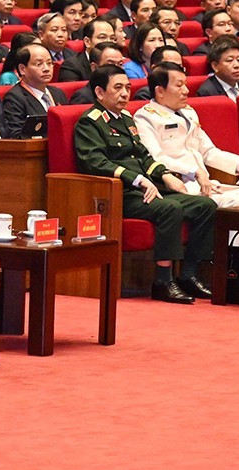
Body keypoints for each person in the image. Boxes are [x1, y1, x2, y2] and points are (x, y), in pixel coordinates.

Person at [73, 65, 218, 303]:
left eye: (128, 87)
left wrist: (165, 175)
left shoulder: (127, 118)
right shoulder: (90, 122)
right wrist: (138, 179)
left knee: (205, 206)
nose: (124, 93)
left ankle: (190, 274)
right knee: (170, 208)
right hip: (121, 194)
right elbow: (94, 162)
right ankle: (163, 281)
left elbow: (143, 156)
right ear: (100, 92)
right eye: (117, 88)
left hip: (147, 188)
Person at [132, 63, 239, 209]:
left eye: (185, 84)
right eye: (179, 86)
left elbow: (208, 151)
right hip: (179, 186)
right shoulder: (145, 117)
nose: (186, 90)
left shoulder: (189, 112)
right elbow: (156, 158)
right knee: (230, 202)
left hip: (206, 185)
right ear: (160, 91)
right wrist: (194, 172)